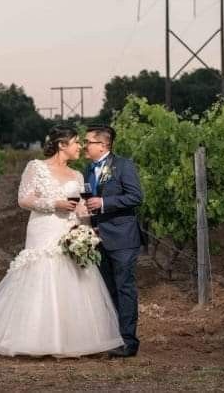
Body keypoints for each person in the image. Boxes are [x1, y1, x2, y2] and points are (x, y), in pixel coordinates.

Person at [0, 125, 124, 358]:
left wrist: (87, 227)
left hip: (69, 230)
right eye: (76, 142)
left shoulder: (77, 175)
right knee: (40, 273)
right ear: (62, 144)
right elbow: (23, 200)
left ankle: (71, 339)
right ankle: (31, 337)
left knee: (72, 277)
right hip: (44, 228)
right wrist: (54, 204)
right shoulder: (36, 167)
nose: (80, 147)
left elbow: (81, 208)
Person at [83, 125, 143, 358]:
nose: (84, 146)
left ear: (103, 145)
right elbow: (89, 197)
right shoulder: (89, 169)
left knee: (124, 289)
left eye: (88, 142)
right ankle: (113, 338)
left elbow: (136, 196)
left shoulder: (123, 165)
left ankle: (129, 342)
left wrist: (105, 204)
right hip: (99, 239)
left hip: (123, 238)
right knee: (108, 291)